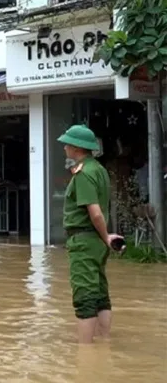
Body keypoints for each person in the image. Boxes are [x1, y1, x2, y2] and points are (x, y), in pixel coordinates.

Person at [59, 124, 124, 344]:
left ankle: (85, 351)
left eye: (67, 143)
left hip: (85, 241)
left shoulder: (84, 173)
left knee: (84, 296)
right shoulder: (99, 169)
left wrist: (106, 236)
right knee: (99, 294)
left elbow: (95, 213)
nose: (65, 146)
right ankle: (104, 343)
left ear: (77, 147)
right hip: (95, 242)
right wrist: (105, 239)